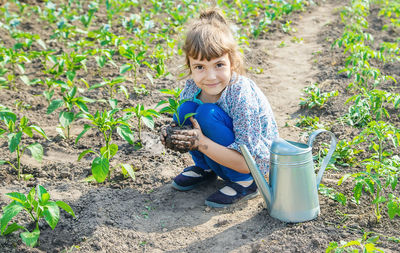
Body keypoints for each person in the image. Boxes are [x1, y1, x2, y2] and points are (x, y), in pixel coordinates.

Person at [160, 9, 279, 208]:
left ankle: (244, 182)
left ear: (232, 62)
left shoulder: (240, 93)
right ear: (189, 66)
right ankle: (206, 168)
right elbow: (180, 123)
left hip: (250, 164)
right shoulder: (191, 88)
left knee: (206, 113)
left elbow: (247, 160)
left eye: (219, 65)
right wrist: (172, 134)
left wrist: (200, 142)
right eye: (199, 67)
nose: (210, 76)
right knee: (184, 111)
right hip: (219, 149)